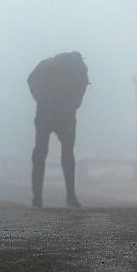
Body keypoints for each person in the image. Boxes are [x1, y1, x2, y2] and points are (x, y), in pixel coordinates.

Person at [27, 51, 89, 208]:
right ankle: (70, 197)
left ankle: (38, 197)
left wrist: (44, 102)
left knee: (40, 154)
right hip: (63, 116)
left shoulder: (48, 65)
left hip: (48, 115)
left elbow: (31, 81)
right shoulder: (78, 69)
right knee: (67, 155)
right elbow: (81, 91)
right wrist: (71, 106)